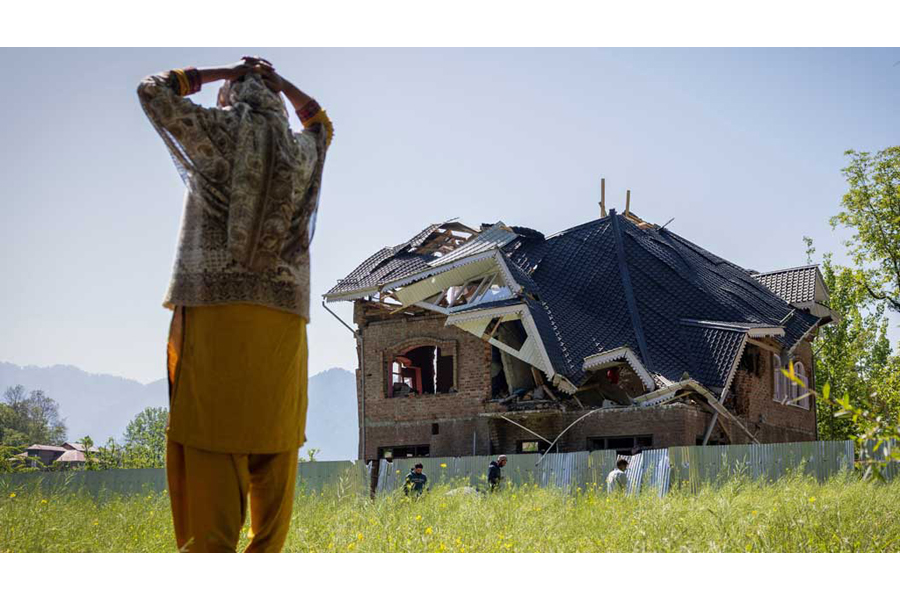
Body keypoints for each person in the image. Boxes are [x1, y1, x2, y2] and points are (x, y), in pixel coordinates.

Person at [138, 56, 333, 552]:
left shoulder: (217, 131)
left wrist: (220, 73)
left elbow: (152, 91)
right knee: (274, 439)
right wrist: (280, 82)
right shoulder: (300, 153)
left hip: (216, 311)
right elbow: (321, 124)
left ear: (230, 97)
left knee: (211, 437)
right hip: (282, 324)